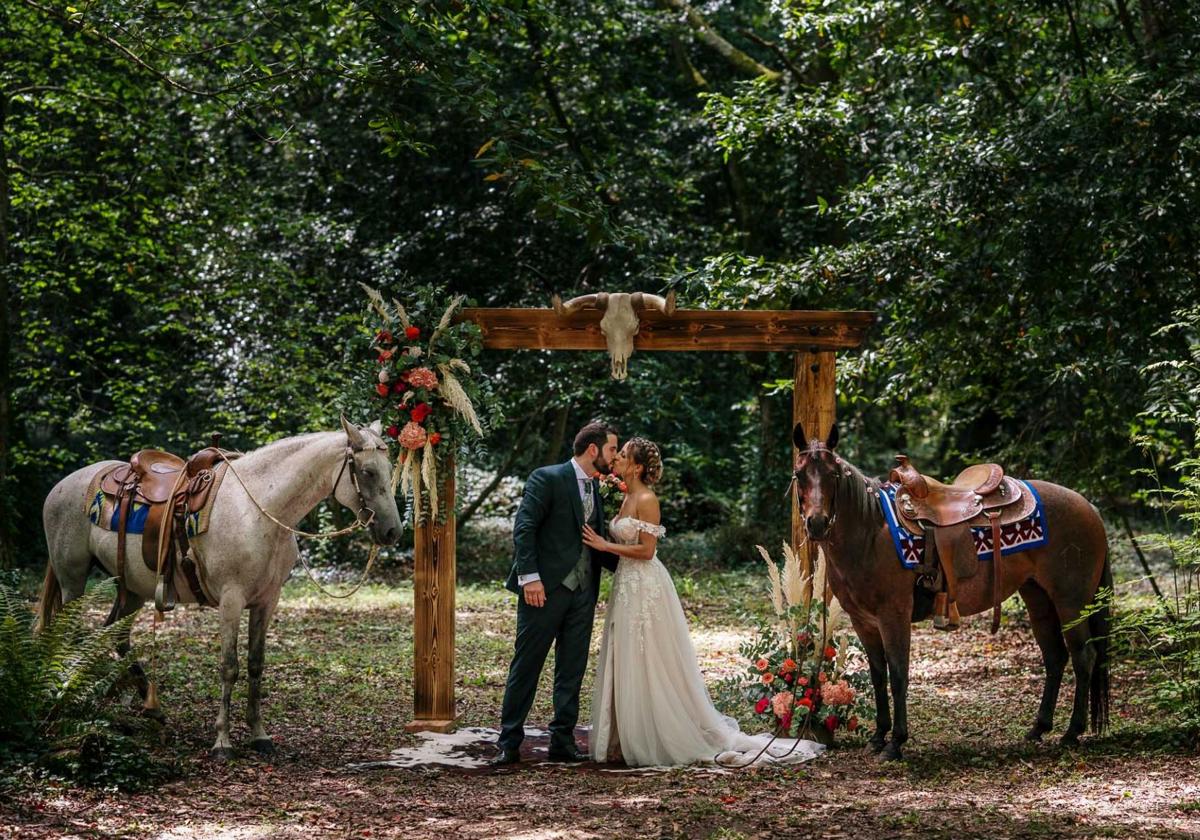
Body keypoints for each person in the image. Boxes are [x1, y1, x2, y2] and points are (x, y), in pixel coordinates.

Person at [583, 437, 825, 767]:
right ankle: (624, 735)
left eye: (623, 455)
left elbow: (647, 550)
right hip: (627, 585)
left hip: (646, 585)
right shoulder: (625, 495)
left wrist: (604, 546)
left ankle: (654, 734)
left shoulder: (646, 498)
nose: (618, 459)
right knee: (625, 653)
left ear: (637, 467)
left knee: (648, 656)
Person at [492, 422, 620, 766]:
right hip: (543, 590)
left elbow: (594, 539)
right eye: (611, 449)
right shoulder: (546, 477)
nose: (615, 456)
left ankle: (562, 740)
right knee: (527, 664)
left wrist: (633, 563)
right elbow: (525, 528)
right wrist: (529, 578)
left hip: (583, 590)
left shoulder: (596, 486)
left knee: (572, 667)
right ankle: (509, 741)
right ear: (593, 450)